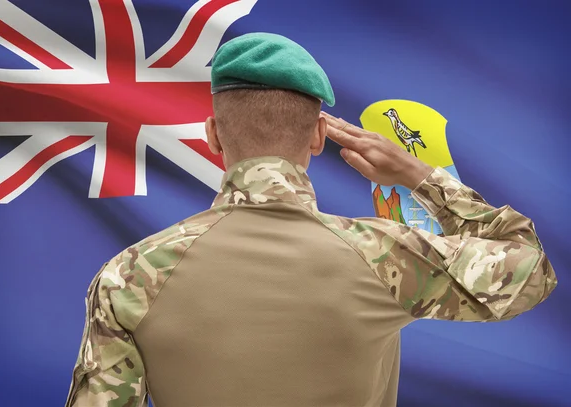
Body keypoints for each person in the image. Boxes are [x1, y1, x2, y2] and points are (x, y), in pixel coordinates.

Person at [65, 32, 557, 407]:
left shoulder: (129, 275)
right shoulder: (386, 256)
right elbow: (530, 269)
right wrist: (418, 175)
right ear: (319, 136)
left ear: (213, 135)